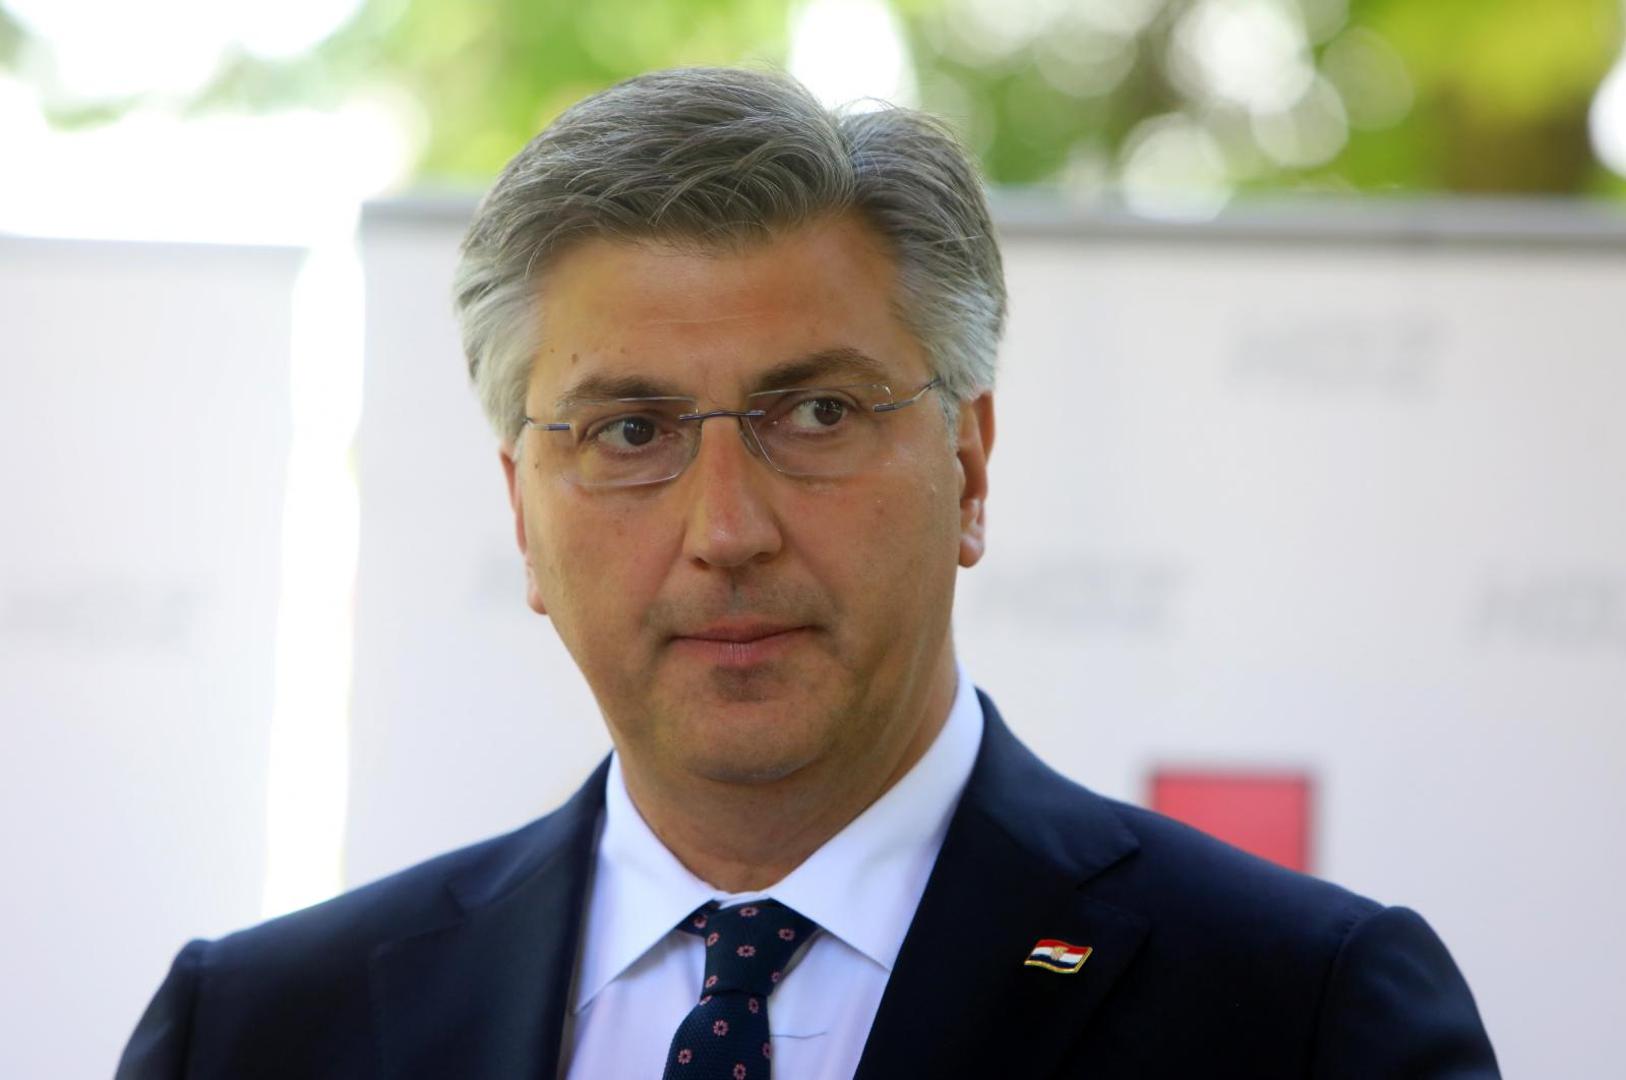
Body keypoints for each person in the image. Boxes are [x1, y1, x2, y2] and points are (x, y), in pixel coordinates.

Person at [117, 67, 1498, 1079]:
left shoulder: (1301, 1017)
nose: (727, 529)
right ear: (522, 517)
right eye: (631, 432)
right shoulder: (254, 1034)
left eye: (818, 414)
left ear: (968, 464)